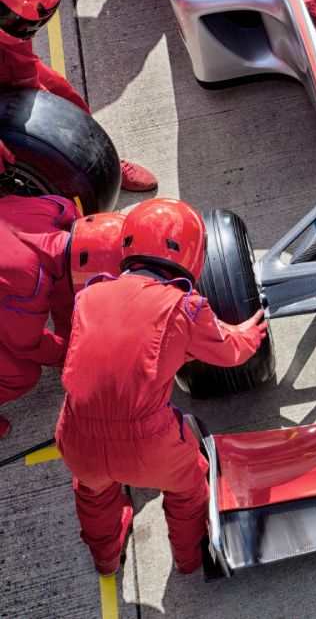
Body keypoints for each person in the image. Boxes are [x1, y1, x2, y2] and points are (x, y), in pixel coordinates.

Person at [56, 198, 267, 575]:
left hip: (76, 435)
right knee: (188, 489)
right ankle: (188, 559)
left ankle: (105, 558)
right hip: (148, 444)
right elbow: (230, 352)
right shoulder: (185, 308)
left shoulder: (87, 296)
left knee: (91, 494)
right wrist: (252, 333)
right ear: (193, 251)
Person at [0, 0, 156, 190]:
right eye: (20, 24)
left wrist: (46, 105)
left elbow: (23, 66)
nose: (29, 32)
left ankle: (103, 162)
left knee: (62, 94)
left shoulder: (13, 25)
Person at [0, 197, 123, 440]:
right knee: (18, 373)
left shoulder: (55, 210)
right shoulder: (27, 284)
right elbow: (27, 344)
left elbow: (68, 207)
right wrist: (69, 356)